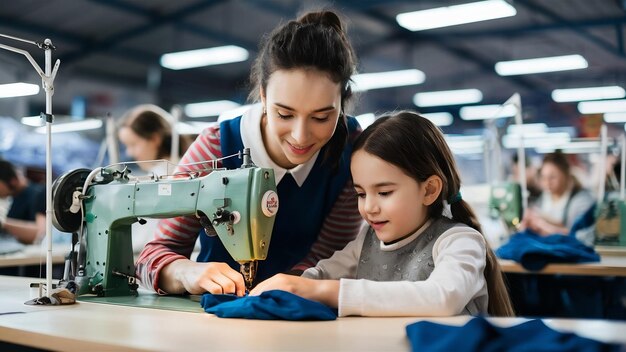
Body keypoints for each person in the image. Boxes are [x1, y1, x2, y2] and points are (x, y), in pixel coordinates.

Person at [136, 10, 362, 296]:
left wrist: (286, 287)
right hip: (210, 318)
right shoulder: (216, 147)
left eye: (321, 118)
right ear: (264, 96)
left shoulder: (351, 149)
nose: (300, 136)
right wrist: (186, 272)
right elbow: (151, 259)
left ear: (342, 103)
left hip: (304, 318)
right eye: (284, 114)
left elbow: (331, 258)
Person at [251, 111, 515, 317]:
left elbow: (442, 297)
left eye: (384, 192)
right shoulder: (367, 240)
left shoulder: (460, 242)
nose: (369, 208)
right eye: (361, 194)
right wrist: (290, 286)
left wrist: (323, 291)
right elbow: (322, 274)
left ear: (429, 189)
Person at [520, 151, 595, 237]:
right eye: (544, 177)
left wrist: (542, 225)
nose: (547, 182)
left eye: (552, 177)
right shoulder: (544, 198)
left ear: (565, 174)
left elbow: (578, 236)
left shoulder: (582, 201)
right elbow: (556, 222)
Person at [117, 104, 192, 175]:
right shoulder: (182, 166)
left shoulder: (162, 175)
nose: (129, 153)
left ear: (155, 139)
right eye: (126, 146)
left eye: (133, 144)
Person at [0, 159, 46, 244]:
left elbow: (40, 235)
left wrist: (3, 223)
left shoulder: (38, 195)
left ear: (12, 181)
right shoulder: (12, 198)